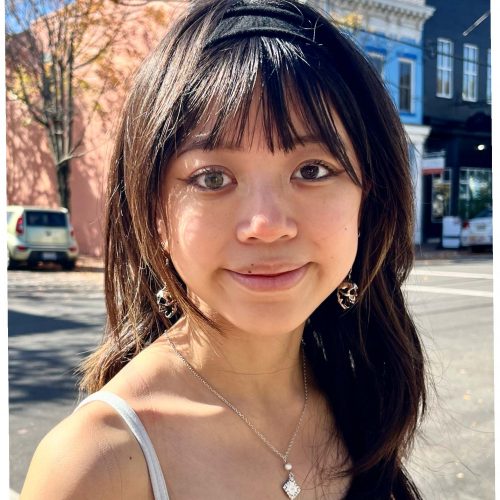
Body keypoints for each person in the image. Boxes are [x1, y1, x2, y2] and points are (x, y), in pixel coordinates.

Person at [21, 0, 428, 498]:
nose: (267, 226)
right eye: (212, 178)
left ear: (370, 197)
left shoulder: (364, 394)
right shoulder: (97, 463)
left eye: (312, 171)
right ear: (154, 213)